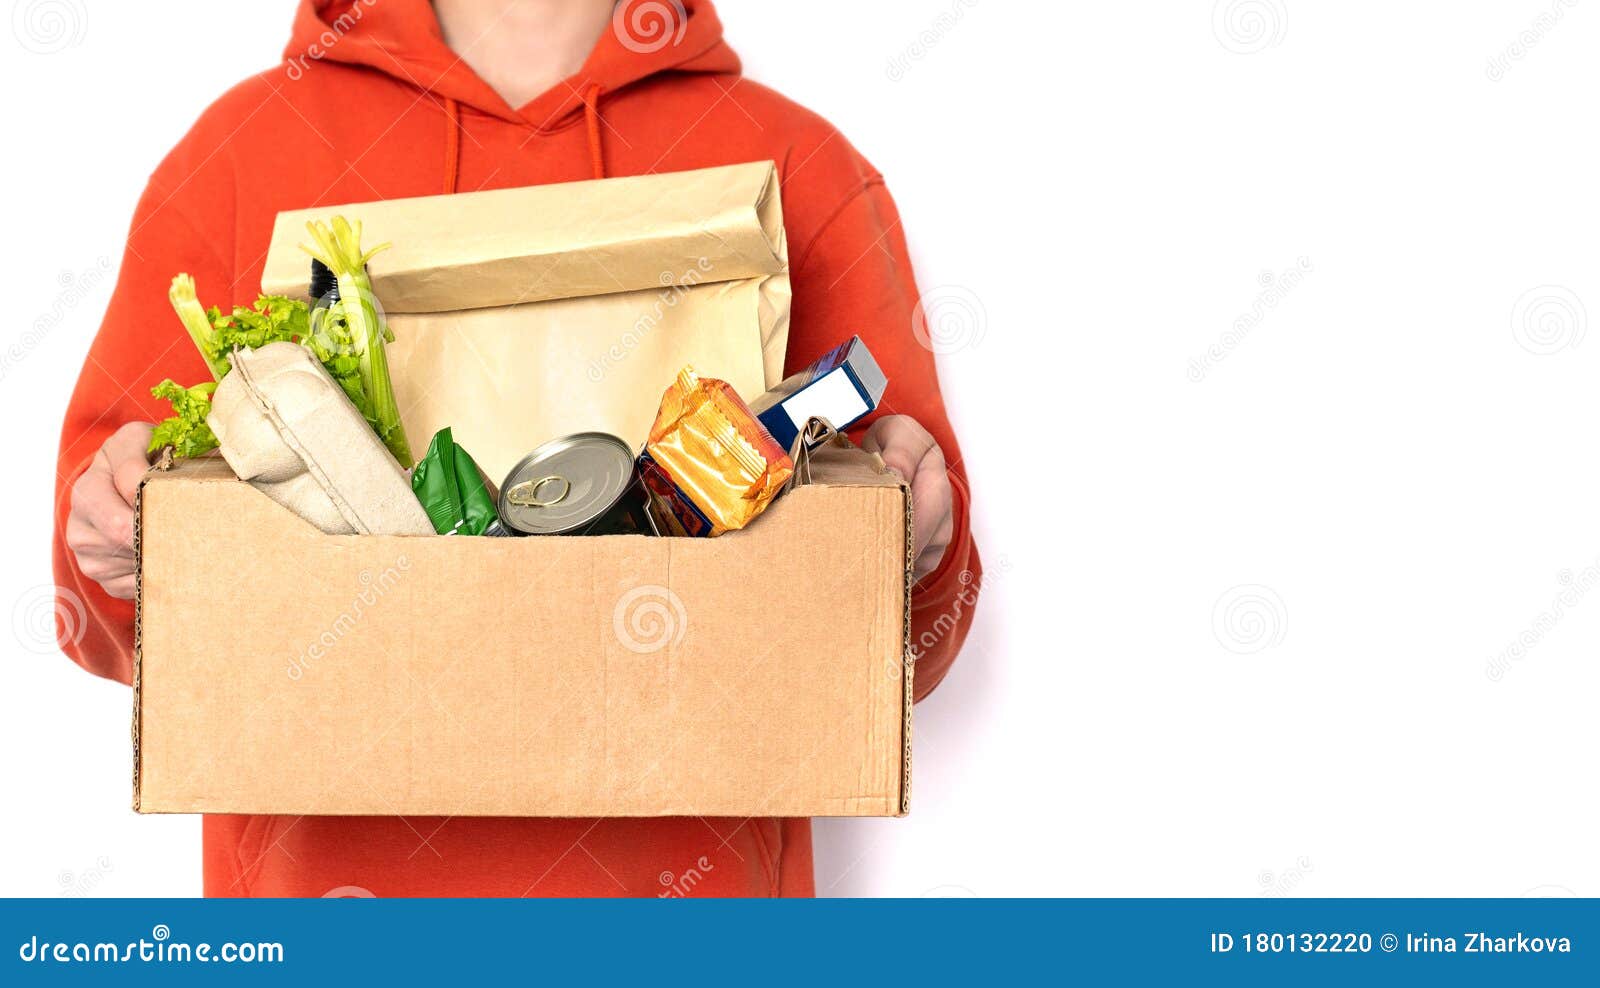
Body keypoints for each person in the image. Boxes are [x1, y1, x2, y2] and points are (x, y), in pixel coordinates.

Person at [55, 0, 979, 897]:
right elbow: (108, 620)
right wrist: (112, 541)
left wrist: (917, 540)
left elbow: (909, 652)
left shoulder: (796, 163)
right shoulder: (241, 153)